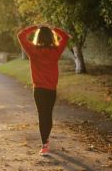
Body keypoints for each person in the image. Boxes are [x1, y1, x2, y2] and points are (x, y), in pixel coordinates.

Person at [17, 24, 71, 156]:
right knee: (48, 114)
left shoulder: (32, 50)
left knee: (42, 115)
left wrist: (34, 27)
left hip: (39, 90)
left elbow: (20, 35)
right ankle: (46, 141)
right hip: (51, 89)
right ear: (51, 37)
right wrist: (54, 28)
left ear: (38, 37)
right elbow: (66, 37)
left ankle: (44, 145)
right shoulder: (56, 51)